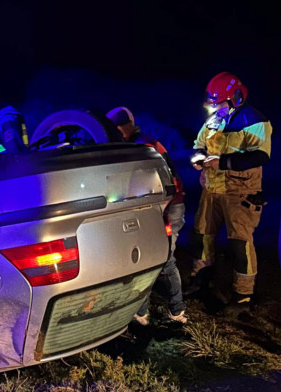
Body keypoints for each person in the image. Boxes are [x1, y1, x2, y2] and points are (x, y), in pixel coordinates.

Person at [183, 72, 272, 311]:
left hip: (240, 193)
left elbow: (260, 156)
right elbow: (198, 145)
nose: (214, 108)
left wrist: (221, 163)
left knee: (240, 244)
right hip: (211, 191)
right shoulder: (212, 121)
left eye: (219, 103)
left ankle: (243, 296)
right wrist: (199, 157)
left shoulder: (254, 120)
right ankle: (201, 281)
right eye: (212, 104)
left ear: (235, 98)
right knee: (202, 238)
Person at [107, 107, 187, 324]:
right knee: (141, 260)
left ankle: (177, 311)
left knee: (165, 259)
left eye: (118, 128)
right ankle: (140, 313)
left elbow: (164, 180)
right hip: (147, 208)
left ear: (126, 126)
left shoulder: (146, 146)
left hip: (167, 207)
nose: (117, 132)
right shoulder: (128, 146)